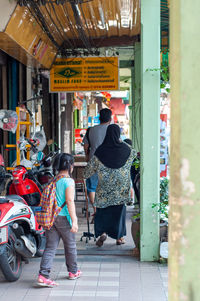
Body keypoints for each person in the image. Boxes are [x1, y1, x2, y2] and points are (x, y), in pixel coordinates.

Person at [83, 124, 136, 246]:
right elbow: (134, 156)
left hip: (104, 189)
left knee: (103, 211)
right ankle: (119, 237)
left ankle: (102, 233)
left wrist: (86, 174)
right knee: (119, 212)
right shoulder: (128, 150)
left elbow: (88, 172)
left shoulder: (100, 150)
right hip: (121, 189)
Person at [37, 153, 82, 287]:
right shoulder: (68, 181)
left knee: (50, 247)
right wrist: (74, 220)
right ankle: (73, 271)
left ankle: (43, 275)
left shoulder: (54, 180)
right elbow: (69, 201)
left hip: (51, 217)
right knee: (70, 246)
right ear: (70, 166)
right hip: (63, 218)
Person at [83, 108, 112, 216]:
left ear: (99, 118)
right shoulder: (112, 130)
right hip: (108, 162)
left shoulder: (90, 130)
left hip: (93, 161)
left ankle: (96, 210)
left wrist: (87, 156)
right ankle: (105, 210)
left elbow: (86, 146)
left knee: (92, 186)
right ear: (110, 118)